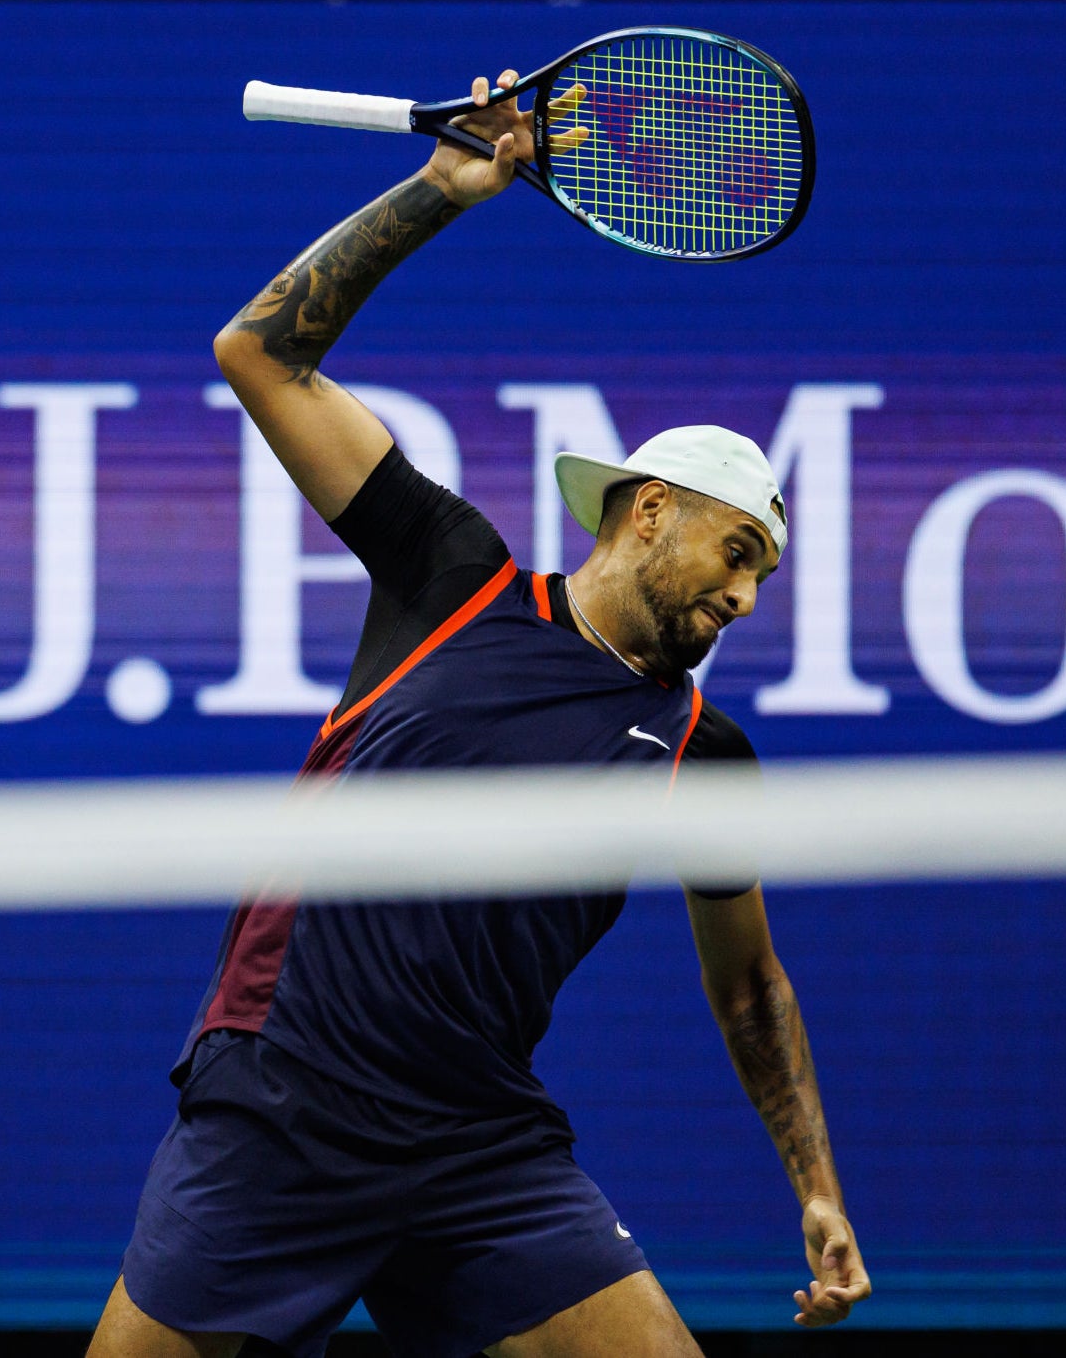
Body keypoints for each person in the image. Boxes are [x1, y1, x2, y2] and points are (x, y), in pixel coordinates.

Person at [89, 70, 870, 1358]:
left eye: (764, 578)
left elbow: (750, 988)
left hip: (476, 1144)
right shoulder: (452, 578)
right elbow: (259, 353)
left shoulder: (701, 754)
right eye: (736, 551)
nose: (744, 594)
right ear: (649, 506)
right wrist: (442, 193)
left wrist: (817, 1185)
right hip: (288, 1105)